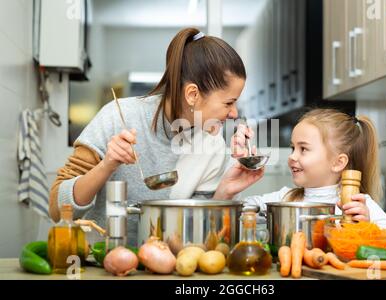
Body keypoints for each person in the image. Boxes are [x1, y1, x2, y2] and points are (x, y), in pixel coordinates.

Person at [49, 28, 263, 246]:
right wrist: (107, 165)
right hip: (98, 265)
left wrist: (226, 189)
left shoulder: (212, 145)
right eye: (229, 103)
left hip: (163, 267)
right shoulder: (117, 117)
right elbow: (57, 209)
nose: (235, 113)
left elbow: (199, 240)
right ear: (192, 95)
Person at [230, 108, 386, 229]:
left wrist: (367, 227)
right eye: (292, 148)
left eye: (303, 149)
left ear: (338, 163)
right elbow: (243, 208)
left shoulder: (356, 204)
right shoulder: (286, 197)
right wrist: (233, 190)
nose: (292, 157)